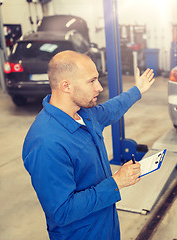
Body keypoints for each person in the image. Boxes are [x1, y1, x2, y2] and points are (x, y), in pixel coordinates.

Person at [22, 50, 155, 240]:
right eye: (91, 81)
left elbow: (111, 109)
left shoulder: (85, 113)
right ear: (66, 86)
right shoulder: (46, 142)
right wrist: (116, 182)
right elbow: (61, 211)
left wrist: (137, 90)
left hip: (106, 226)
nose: (99, 87)